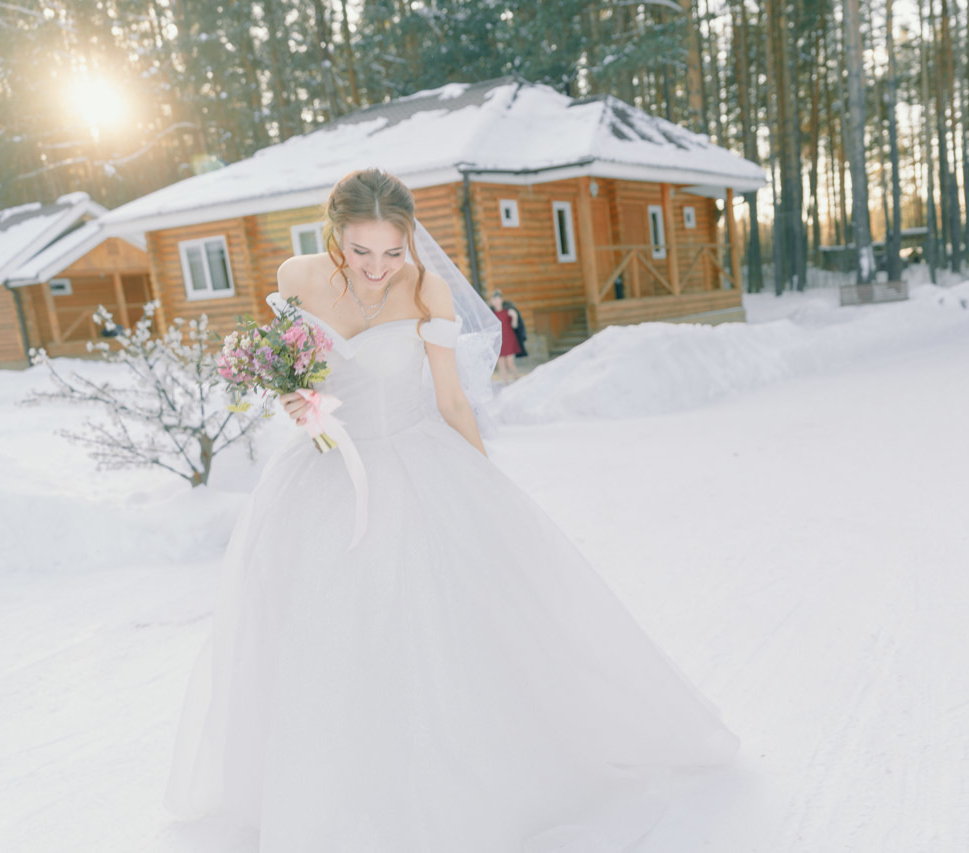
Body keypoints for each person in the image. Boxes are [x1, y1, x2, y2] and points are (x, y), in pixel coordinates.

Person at [163, 167, 740, 852]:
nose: (377, 268)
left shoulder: (426, 289)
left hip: (414, 465)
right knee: (321, 639)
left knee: (431, 635)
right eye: (360, 250)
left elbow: (452, 401)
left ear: (410, 241)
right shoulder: (296, 277)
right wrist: (299, 401)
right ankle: (333, 792)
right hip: (323, 480)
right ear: (334, 235)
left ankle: (441, 785)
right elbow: (302, 371)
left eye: (392, 250)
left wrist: (489, 497)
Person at [491, 287, 522, 383]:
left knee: (510, 362)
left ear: (501, 300)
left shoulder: (507, 311)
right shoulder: (491, 314)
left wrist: (514, 316)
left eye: (497, 299)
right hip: (499, 341)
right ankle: (506, 384)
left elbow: (514, 326)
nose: (495, 301)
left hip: (509, 339)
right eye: (493, 300)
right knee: (501, 364)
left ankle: (517, 380)